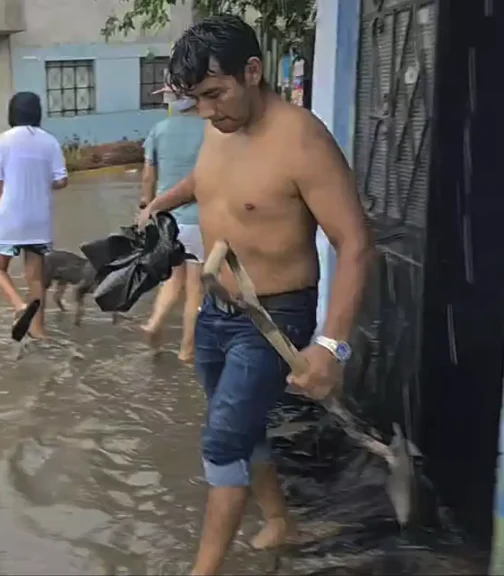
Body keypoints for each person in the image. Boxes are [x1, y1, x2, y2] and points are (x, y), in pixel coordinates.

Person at [136, 15, 372, 575]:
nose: (208, 112)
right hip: (218, 310)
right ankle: (279, 520)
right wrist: (158, 205)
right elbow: (206, 183)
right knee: (238, 424)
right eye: (196, 100)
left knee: (222, 441)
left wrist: (332, 344)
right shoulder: (217, 130)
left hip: (274, 315)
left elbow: (356, 241)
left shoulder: (300, 139)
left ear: (253, 71)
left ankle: (204, 570)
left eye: (216, 94)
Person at [0, 91, 69, 339]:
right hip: (39, 220)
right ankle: (39, 331)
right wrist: (42, 182)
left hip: (10, 216)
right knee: (35, 279)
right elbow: (62, 181)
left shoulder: (2, 141)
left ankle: (19, 306)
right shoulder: (49, 141)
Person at [140, 97, 207, 361]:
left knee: (171, 278)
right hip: (198, 219)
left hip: (167, 220)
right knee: (195, 288)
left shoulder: (159, 130)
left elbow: (148, 176)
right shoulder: (211, 130)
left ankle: (154, 322)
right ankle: (186, 350)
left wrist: (146, 207)